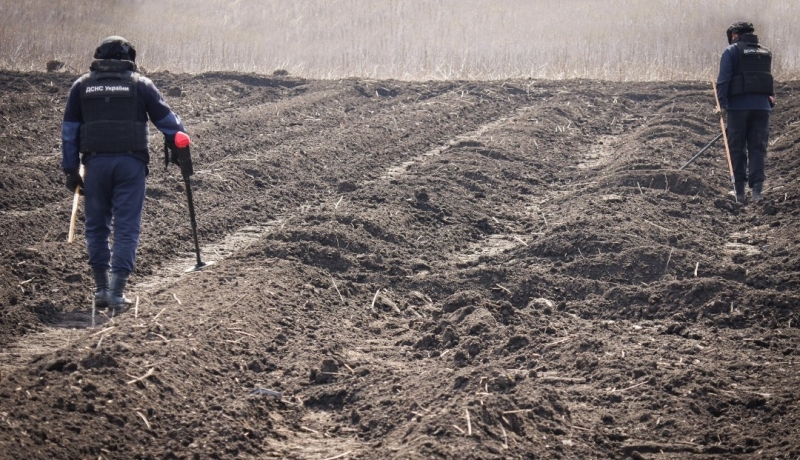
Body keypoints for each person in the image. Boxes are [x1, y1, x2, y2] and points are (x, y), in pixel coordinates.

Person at [61, 36, 190, 312]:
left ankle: (101, 290)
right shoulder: (141, 85)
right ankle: (117, 292)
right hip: (130, 166)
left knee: (96, 226)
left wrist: (71, 170)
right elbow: (169, 123)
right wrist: (180, 144)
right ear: (129, 57)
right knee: (126, 227)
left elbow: (70, 132)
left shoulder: (81, 87)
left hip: (94, 166)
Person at [715, 21, 775, 204]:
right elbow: (765, 80)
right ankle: (757, 192)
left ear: (735, 35)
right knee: (758, 148)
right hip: (762, 108)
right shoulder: (765, 52)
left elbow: (723, 81)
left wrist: (722, 105)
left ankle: (739, 193)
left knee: (737, 148)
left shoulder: (731, 52)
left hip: (738, 108)